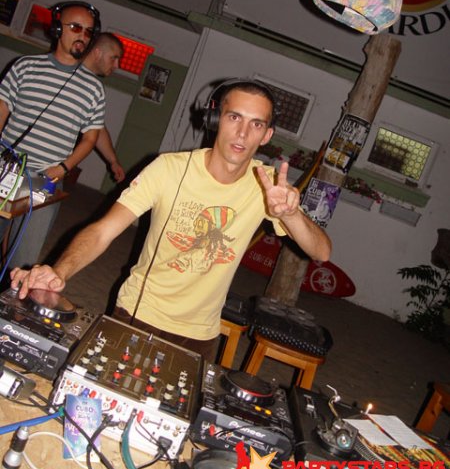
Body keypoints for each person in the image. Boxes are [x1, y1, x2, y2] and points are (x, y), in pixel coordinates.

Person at [11, 80, 332, 361]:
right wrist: (60, 271)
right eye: (234, 117)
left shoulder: (268, 185)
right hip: (138, 312)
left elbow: (321, 252)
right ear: (215, 119)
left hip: (201, 333)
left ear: (266, 135)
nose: (243, 133)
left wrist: (291, 214)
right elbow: (103, 231)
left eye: (256, 124)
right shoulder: (168, 169)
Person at [0, 1, 105, 269]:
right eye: (76, 27)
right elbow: (1, 110)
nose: (83, 36)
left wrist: (63, 168)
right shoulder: (25, 66)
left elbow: (90, 139)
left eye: (88, 31)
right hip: (6, 169)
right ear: (57, 29)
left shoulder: (93, 88)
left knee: (23, 261)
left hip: (46, 180)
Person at [83, 32, 126, 183]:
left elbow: (97, 128)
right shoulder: (71, 75)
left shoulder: (94, 87)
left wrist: (113, 161)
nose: (117, 66)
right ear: (97, 53)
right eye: (113, 58)